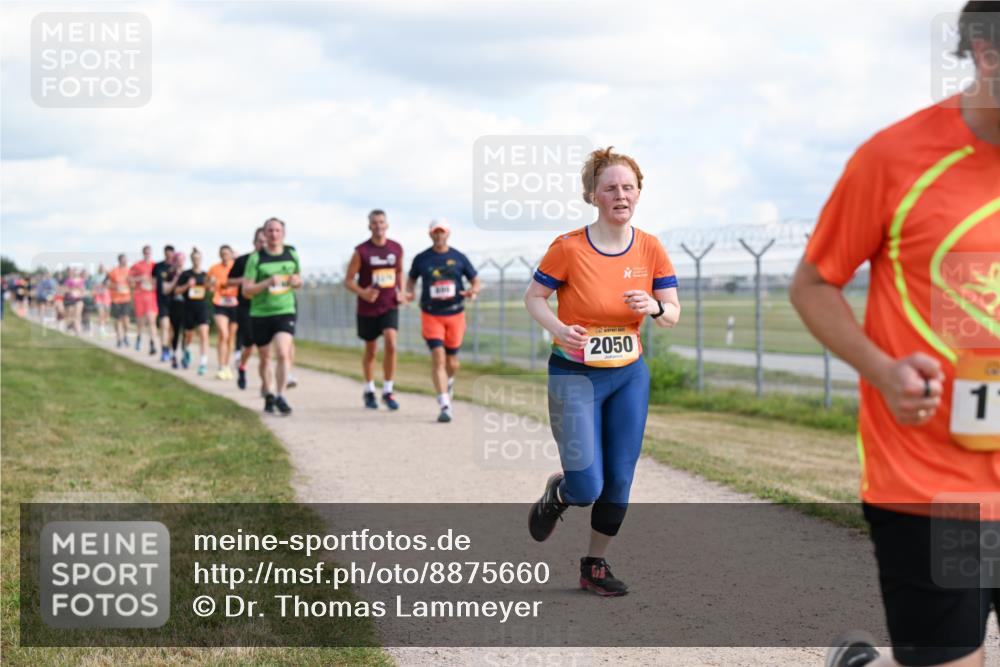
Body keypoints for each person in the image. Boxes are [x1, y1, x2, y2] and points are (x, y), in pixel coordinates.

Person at [789, 5, 1000, 666]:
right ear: (986, 55)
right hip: (933, 484)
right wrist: (883, 370)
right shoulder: (895, 159)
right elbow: (814, 283)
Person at [524, 146, 680, 597]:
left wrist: (654, 307)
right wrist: (559, 327)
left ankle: (594, 563)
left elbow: (672, 313)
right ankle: (560, 493)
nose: (620, 194)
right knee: (587, 484)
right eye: (610, 187)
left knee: (620, 478)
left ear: (638, 193)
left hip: (628, 374)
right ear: (592, 194)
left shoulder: (650, 248)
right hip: (574, 375)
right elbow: (533, 298)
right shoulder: (568, 248)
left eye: (628, 187)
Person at [405, 219, 481, 422]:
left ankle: (449, 381)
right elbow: (411, 279)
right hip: (431, 314)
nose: (439, 235)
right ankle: (445, 404)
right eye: (435, 232)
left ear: (448, 234)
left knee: (452, 362)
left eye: (442, 232)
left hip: (455, 313)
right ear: (430, 234)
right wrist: (409, 292)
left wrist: (473, 290)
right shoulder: (422, 258)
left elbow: (475, 279)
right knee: (438, 357)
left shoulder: (458, 257)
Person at [344, 209, 405, 410]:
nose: (378, 226)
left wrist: (402, 292)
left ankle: (388, 390)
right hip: (368, 308)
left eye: (381, 222)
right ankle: (369, 389)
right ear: (369, 226)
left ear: (386, 225)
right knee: (371, 349)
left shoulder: (396, 248)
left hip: (389, 305)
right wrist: (363, 293)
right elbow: (348, 281)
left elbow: (399, 272)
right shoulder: (361, 251)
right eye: (374, 223)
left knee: (392, 343)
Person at [241, 217, 301, 415]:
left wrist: (295, 281)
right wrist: (266, 283)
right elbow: (246, 291)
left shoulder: (291, 254)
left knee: (283, 352)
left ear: (283, 233)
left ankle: (281, 395)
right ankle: (268, 393)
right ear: (264, 234)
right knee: (265, 358)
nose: (274, 234)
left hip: (285, 310)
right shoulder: (256, 259)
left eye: (277, 231)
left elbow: (299, 280)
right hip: (260, 313)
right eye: (270, 231)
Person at [227, 227, 264, 390]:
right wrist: (244, 280)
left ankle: (267, 387)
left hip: (266, 308)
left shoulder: (272, 261)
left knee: (265, 348)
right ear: (254, 242)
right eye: (260, 241)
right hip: (246, 307)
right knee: (250, 346)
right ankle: (242, 366)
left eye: (265, 241)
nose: (263, 244)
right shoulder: (243, 260)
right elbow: (229, 281)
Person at [175, 248, 211, 375]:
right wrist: (187, 285)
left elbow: (210, 290)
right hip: (188, 307)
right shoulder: (185, 274)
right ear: (191, 259)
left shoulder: (205, 275)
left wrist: (211, 285)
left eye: (198, 258)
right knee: (188, 334)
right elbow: (177, 291)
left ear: (201, 259)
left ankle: (203, 362)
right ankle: (187, 350)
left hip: (202, 307)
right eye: (194, 258)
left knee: (204, 333)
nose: (196, 260)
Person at [207, 245, 239, 380]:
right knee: (223, 334)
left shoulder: (237, 267)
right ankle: (221, 366)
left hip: (235, 304)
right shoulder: (214, 269)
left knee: (231, 337)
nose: (224, 256)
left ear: (231, 254)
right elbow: (208, 287)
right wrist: (211, 283)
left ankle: (226, 366)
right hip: (220, 303)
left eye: (227, 253)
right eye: (222, 254)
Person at [129, 245, 158, 355]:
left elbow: (159, 279)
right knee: (141, 322)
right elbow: (129, 279)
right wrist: (140, 278)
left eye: (149, 252)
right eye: (146, 252)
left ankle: (152, 344)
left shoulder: (155, 266)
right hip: (140, 295)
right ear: (143, 253)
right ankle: (139, 337)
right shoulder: (137, 265)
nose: (147, 254)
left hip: (151, 295)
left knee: (152, 320)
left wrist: (153, 282)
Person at [152, 245, 176, 361]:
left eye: (171, 253)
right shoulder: (158, 266)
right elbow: (153, 282)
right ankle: (164, 350)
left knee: (172, 328)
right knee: (164, 326)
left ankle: (171, 349)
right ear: (164, 253)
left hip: (175, 302)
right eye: (167, 253)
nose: (169, 255)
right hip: (162, 300)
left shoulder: (177, 267)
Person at [107, 254, 132, 348]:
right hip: (115, 299)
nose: (124, 262)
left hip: (126, 298)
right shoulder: (113, 271)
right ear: (119, 261)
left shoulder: (129, 271)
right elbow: (106, 284)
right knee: (117, 320)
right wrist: (115, 286)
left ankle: (125, 336)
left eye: (125, 260)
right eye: (122, 260)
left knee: (126, 319)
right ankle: (119, 339)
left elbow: (133, 283)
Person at [61, 268, 87, 335]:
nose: (76, 274)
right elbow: (65, 289)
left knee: (78, 314)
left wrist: (82, 293)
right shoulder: (69, 280)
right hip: (70, 299)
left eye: (77, 272)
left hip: (79, 299)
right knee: (71, 315)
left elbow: (83, 290)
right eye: (74, 272)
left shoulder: (81, 280)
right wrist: (71, 291)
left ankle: (78, 330)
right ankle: (70, 326)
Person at [91, 263, 111, 337]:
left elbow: (109, 284)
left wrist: (107, 283)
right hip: (98, 296)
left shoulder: (107, 276)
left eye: (103, 267)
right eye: (100, 267)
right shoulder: (95, 276)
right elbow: (93, 286)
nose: (102, 269)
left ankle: (103, 327)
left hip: (106, 296)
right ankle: (101, 330)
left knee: (107, 314)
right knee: (101, 313)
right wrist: (94, 293)